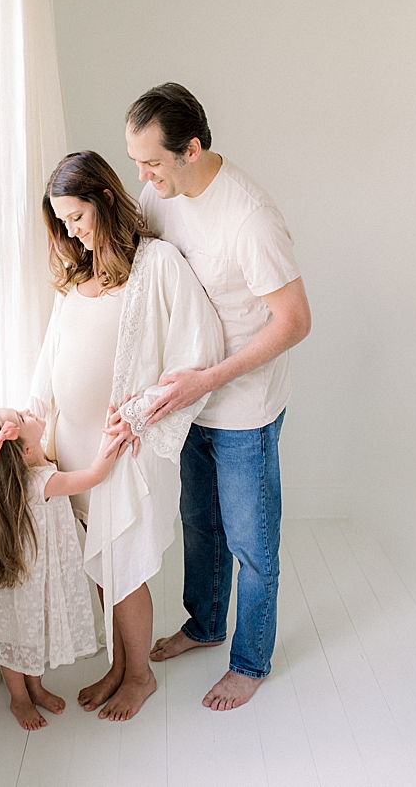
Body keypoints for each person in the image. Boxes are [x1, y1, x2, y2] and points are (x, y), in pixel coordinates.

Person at [126, 83, 311, 711]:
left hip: (243, 407)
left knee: (250, 543)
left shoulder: (250, 220)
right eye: (138, 164)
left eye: (151, 162)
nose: (143, 177)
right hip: (188, 401)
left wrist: (210, 378)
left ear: (192, 149)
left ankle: (251, 662)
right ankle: (205, 626)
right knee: (198, 524)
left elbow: (294, 322)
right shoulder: (161, 193)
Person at [29, 150, 223, 721]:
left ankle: (139, 676)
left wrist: (141, 412)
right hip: (75, 449)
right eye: (61, 221)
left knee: (126, 567)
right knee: (101, 567)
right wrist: (29, 417)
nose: (71, 231)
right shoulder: (78, 279)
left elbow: (200, 347)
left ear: (106, 200)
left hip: (126, 450)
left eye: (78, 217)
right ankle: (118, 663)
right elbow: (50, 361)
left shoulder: (157, 265)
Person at [0, 407, 130, 731]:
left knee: (31, 635)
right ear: (27, 451)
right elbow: (94, 476)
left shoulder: (31, 471)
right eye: (23, 417)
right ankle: (19, 699)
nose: (29, 410)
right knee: (16, 639)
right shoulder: (42, 480)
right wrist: (114, 436)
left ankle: (36, 688)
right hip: (27, 578)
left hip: (33, 575)